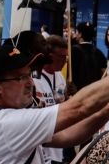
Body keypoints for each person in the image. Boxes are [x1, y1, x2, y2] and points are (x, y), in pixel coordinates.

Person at [0, 39, 109, 164]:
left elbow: (65, 136)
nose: (30, 82)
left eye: (29, 75)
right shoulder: (7, 124)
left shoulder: (10, 120)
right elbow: (79, 106)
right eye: (21, 78)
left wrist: (104, 114)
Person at [33, 36, 70, 164]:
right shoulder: (33, 78)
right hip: (41, 145)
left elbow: (62, 102)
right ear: (49, 55)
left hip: (58, 146)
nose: (65, 61)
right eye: (61, 57)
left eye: (66, 57)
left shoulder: (60, 76)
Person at [70, 24, 104, 89]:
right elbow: (103, 72)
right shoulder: (99, 52)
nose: (75, 34)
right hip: (94, 90)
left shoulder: (73, 50)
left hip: (78, 91)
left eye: (76, 32)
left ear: (80, 34)